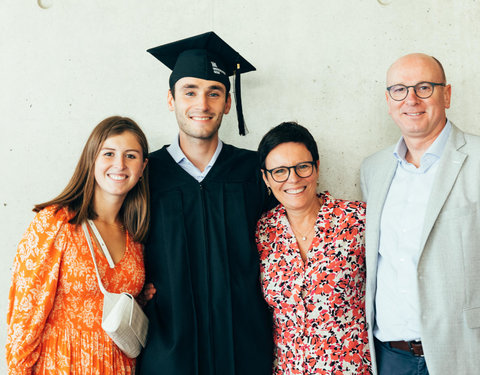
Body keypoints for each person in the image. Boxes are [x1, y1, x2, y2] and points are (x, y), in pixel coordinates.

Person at [137, 32, 273, 374]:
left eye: (214, 93)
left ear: (228, 103)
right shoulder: (144, 174)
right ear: (171, 99)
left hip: (244, 347)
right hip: (169, 351)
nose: (202, 104)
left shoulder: (255, 170)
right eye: (190, 92)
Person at [360, 53, 480, 375]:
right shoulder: (373, 169)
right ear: (388, 101)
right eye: (399, 90)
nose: (411, 99)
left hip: (464, 351)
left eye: (424, 87)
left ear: (447, 94)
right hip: (391, 357)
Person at [6, 116, 149, 374]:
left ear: (142, 168)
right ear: (91, 160)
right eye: (109, 153)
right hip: (63, 365)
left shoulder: (136, 236)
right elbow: (25, 317)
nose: (119, 164)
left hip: (120, 367)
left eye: (131, 156)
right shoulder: (56, 223)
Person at [256, 122, 371, 374]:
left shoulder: (357, 220)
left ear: (317, 168)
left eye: (302, 167)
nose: (293, 179)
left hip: (352, 367)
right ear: (265, 177)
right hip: (289, 369)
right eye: (280, 171)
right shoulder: (262, 232)